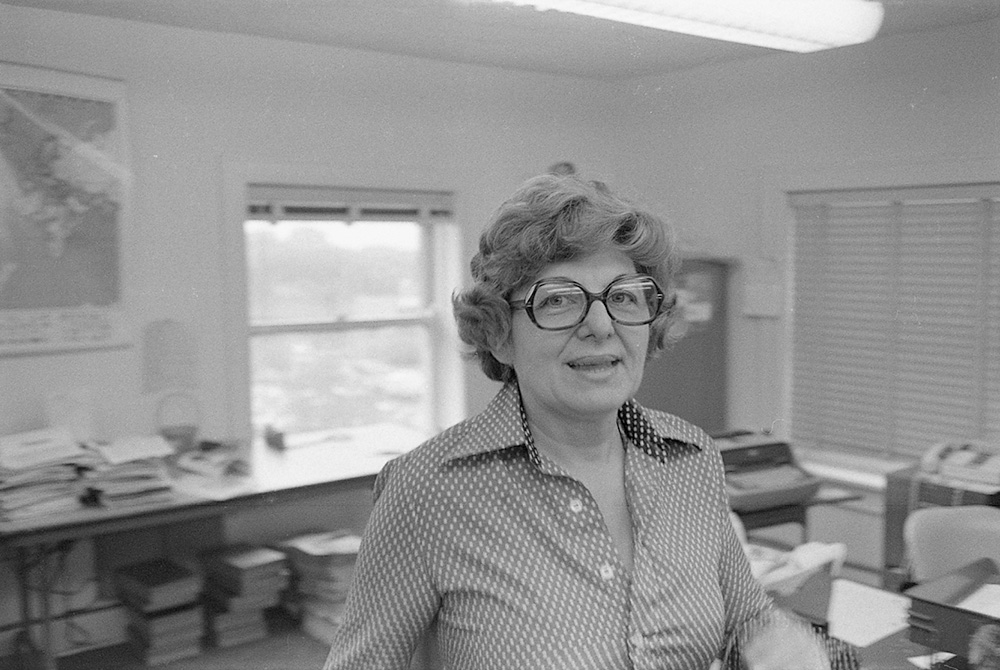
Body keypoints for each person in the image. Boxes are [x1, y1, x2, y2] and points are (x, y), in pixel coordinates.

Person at [324, 174, 843, 670]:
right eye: (558, 301)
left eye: (623, 297)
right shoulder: (428, 491)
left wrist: (780, 641)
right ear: (500, 333)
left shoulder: (692, 457)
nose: (600, 325)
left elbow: (748, 615)